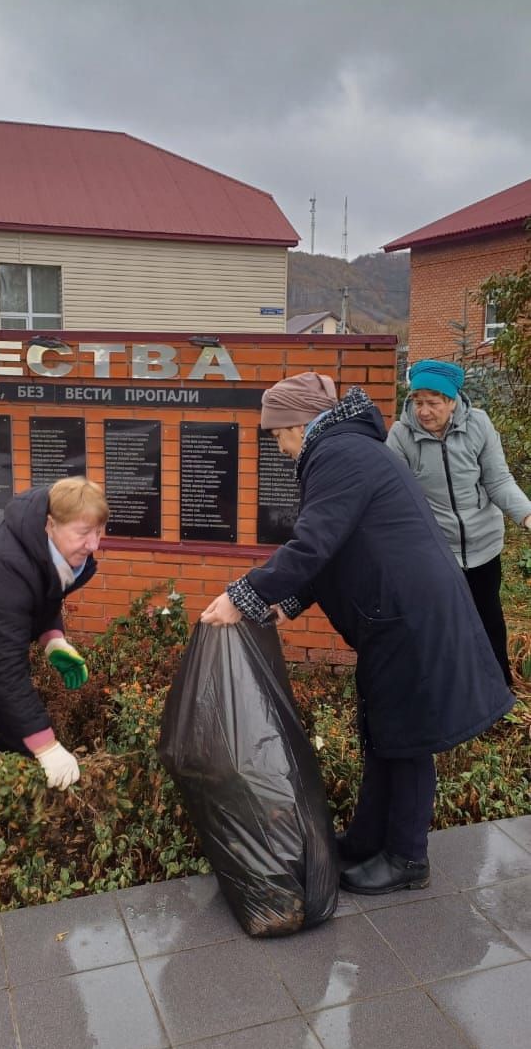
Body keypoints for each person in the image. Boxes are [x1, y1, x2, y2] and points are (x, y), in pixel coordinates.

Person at [201, 372, 512, 896]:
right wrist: (289, 602)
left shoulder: (339, 455)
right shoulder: (345, 450)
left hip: (408, 616)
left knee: (408, 739)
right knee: (383, 731)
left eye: (278, 432)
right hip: (394, 613)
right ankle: (369, 839)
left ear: (300, 423)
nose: (278, 444)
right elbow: (339, 547)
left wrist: (241, 595)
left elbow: (312, 544)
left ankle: (408, 857)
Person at [0, 477, 109, 789]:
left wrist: (52, 637)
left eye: (98, 532)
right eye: (84, 533)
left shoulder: (48, 548)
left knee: (5, 725)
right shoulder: (4, 562)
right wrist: (47, 746)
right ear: (50, 525)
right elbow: (5, 664)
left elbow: (41, 592)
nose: (94, 544)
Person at [387, 359, 531, 685]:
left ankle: (497, 687)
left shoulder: (478, 424)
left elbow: (498, 481)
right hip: (436, 550)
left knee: (488, 616)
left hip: (483, 543)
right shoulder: (401, 436)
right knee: (442, 622)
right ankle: (451, 693)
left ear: (452, 401)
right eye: (417, 402)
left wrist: (526, 514)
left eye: (433, 403)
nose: (424, 411)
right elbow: (395, 495)